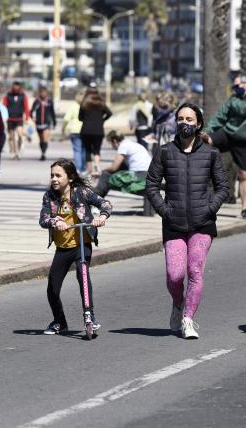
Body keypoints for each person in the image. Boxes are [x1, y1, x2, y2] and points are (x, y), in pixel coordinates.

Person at [145, 103, 229, 339]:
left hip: (202, 224)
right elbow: (151, 185)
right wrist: (165, 210)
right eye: (181, 119)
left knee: (195, 271)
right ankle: (177, 303)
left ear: (198, 123)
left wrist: (210, 208)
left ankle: (188, 319)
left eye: (190, 119)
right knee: (174, 275)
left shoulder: (211, 154)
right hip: (174, 223)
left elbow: (223, 187)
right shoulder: (164, 152)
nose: (185, 123)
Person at [38, 158, 112, 335]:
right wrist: (55, 221)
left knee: (83, 276)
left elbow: (105, 204)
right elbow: (43, 219)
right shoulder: (50, 196)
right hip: (62, 248)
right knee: (52, 289)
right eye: (52, 176)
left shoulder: (81, 192)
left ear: (69, 178)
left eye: (58, 175)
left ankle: (90, 316)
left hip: (81, 243)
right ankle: (59, 322)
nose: (54, 179)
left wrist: (102, 217)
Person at [204, 74, 246, 221]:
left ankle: (244, 208)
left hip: (245, 139)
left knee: (243, 174)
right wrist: (207, 130)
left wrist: (232, 102)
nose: (234, 89)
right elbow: (220, 116)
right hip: (229, 132)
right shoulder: (233, 99)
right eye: (233, 87)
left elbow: (245, 109)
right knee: (207, 140)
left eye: (237, 86)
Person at [93, 130, 152, 197]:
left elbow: (114, 167)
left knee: (105, 175)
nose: (112, 147)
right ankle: (98, 198)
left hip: (139, 175)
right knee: (112, 176)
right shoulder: (134, 144)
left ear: (115, 141)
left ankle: (96, 196)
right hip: (148, 174)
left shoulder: (123, 146)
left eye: (111, 144)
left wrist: (101, 171)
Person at [79, 90, 113, 178]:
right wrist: (102, 120)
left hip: (86, 130)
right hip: (98, 130)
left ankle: (89, 171)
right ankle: (97, 166)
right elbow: (109, 113)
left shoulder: (84, 103)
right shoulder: (101, 104)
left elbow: (80, 117)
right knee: (96, 150)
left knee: (88, 151)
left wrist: (86, 120)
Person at [2, 81, 30, 160]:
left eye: (17, 86)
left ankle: (18, 150)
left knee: (20, 135)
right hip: (10, 118)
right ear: (13, 86)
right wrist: (4, 117)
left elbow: (26, 107)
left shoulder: (23, 95)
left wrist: (27, 117)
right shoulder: (8, 95)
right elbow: (4, 107)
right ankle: (12, 152)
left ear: (19, 87)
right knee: (11, 137)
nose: (16, 88)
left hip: (19, 118)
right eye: (14, 86)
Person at [62, 92, 86, 174]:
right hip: (85, 129)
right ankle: (83, 168)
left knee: (77, 150)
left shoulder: (73, 106)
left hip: (75, 130)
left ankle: (78, 168)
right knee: (84, 149)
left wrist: (63, 128)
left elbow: (66, 119)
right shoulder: (86, 106)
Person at [31, 86, 56, 161]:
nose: (43, 94)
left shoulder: (49, 101)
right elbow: (31, 111)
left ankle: (43, 154)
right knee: (41, 139)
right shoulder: (37, 101)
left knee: (45, 139)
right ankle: (42, 151)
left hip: (47, 123)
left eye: (44, 92)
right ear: (39, 93)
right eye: (41, 92)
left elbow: (52, 112)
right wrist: (33, 117)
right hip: (38, 123)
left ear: (46, 93)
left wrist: (54, 122)